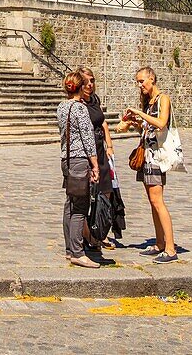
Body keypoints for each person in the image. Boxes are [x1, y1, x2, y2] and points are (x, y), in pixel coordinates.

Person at [124, 66, 177, 264]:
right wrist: (135, 122)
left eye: (142, 81)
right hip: (147, 155)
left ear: (152, 79)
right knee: (152, 202)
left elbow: (161, 123)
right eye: (138, 82)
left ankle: (170, 248)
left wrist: (139, 112)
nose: (140, 85)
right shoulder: (150, 102)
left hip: (157, 157)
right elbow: (149, 128)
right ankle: (160, 242)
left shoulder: (163, 99)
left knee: (158, 201)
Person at [57, 70, 100, 268]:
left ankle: (69, 249)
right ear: (81, 87)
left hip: (66, 159)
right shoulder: (80, 109)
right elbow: (88, 139)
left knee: (70, 204)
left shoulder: (62, 107)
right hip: (80, 159)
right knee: (80, 207)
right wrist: (95, 164)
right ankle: (77, 252)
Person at [79, 67, 116, 251]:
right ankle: (89, 235)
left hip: (100, 151)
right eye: (86, 82)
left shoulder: (94, 100)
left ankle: (100, 231)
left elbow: (103, 122)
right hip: (86, 152)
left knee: (106, 192)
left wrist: (109, 145)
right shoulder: (78, 103)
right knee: (87, 195)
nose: (90, 85)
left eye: (92, 80)